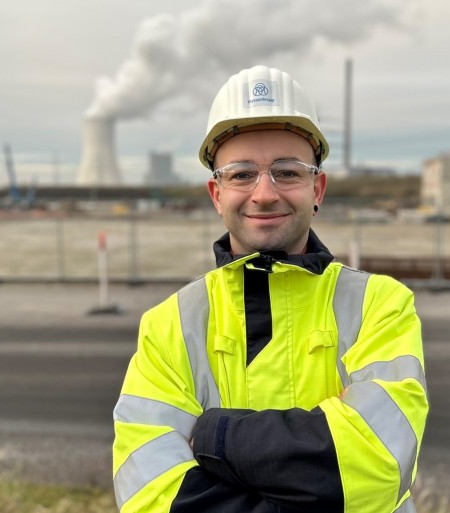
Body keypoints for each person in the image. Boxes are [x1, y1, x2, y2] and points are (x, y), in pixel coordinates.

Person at [112, 65, 428, 513]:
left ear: (317, 188)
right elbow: (149, 495)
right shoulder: (167, 326)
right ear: (216, 193)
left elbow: (377, 464)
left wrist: (215, 436)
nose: (264, 193)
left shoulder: (381, 306)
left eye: (287, 172)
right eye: (242, 174)